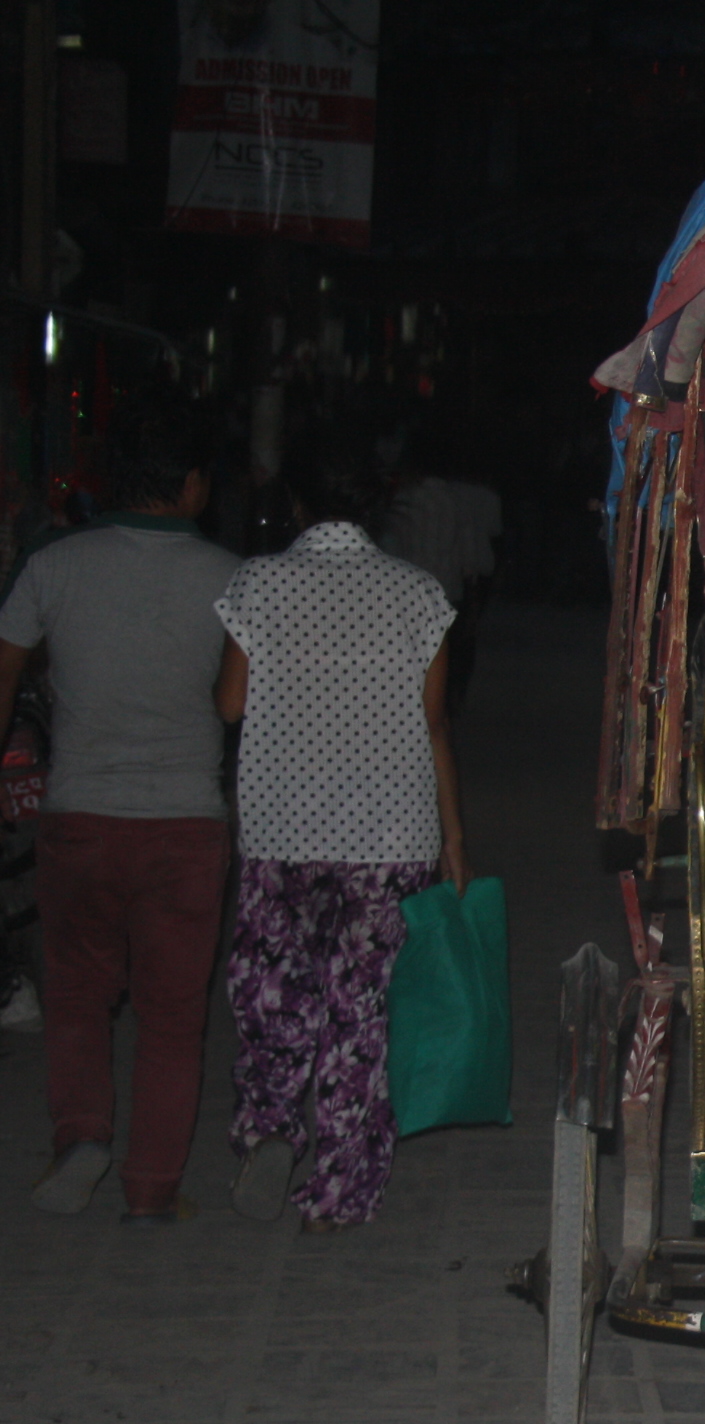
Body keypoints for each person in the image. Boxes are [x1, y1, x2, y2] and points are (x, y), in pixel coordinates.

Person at [215, 464, 470, 1230]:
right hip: (390, 835)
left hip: (282, 827)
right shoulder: (418, 594)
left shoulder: (257, 585)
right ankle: (336, 1193)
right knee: (361, 1013)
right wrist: (454, 838)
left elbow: (231, 705)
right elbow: (433, 725)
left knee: (274, 991)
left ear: (296, 508)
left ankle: (269, 1124)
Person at [0, 410, 240, 1221]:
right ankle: (152, 1189)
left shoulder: (52, 564)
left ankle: (81, 1136)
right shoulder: (230, 576)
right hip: (186, 824)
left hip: (79, 817)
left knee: (75, 997)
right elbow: (244, 705)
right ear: (194, 485)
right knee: (173, 1017)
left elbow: (2, 683)